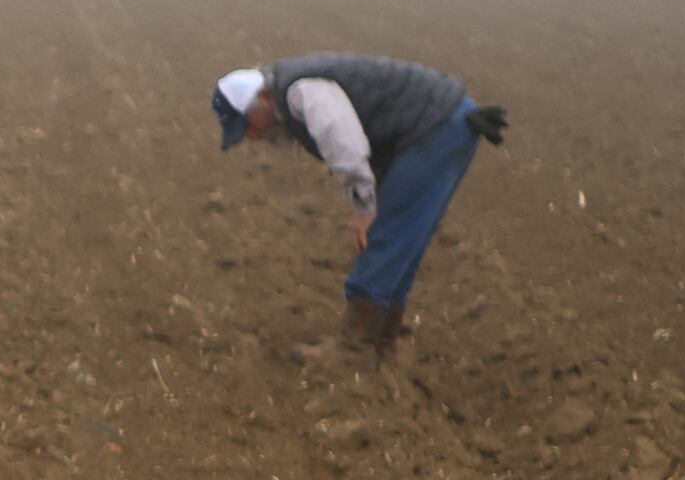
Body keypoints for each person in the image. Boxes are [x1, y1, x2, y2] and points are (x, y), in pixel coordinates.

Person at [211, 54, 508, 364]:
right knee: (402, 236)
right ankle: (384, 340)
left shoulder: (301, 92)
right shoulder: (290, 93)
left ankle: (354, 347)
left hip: (437, 127)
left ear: (262, 98)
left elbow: (347, 147)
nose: (252, 136)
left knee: (388, 235)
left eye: (247, 125)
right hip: (445, 123)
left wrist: (365, 210)